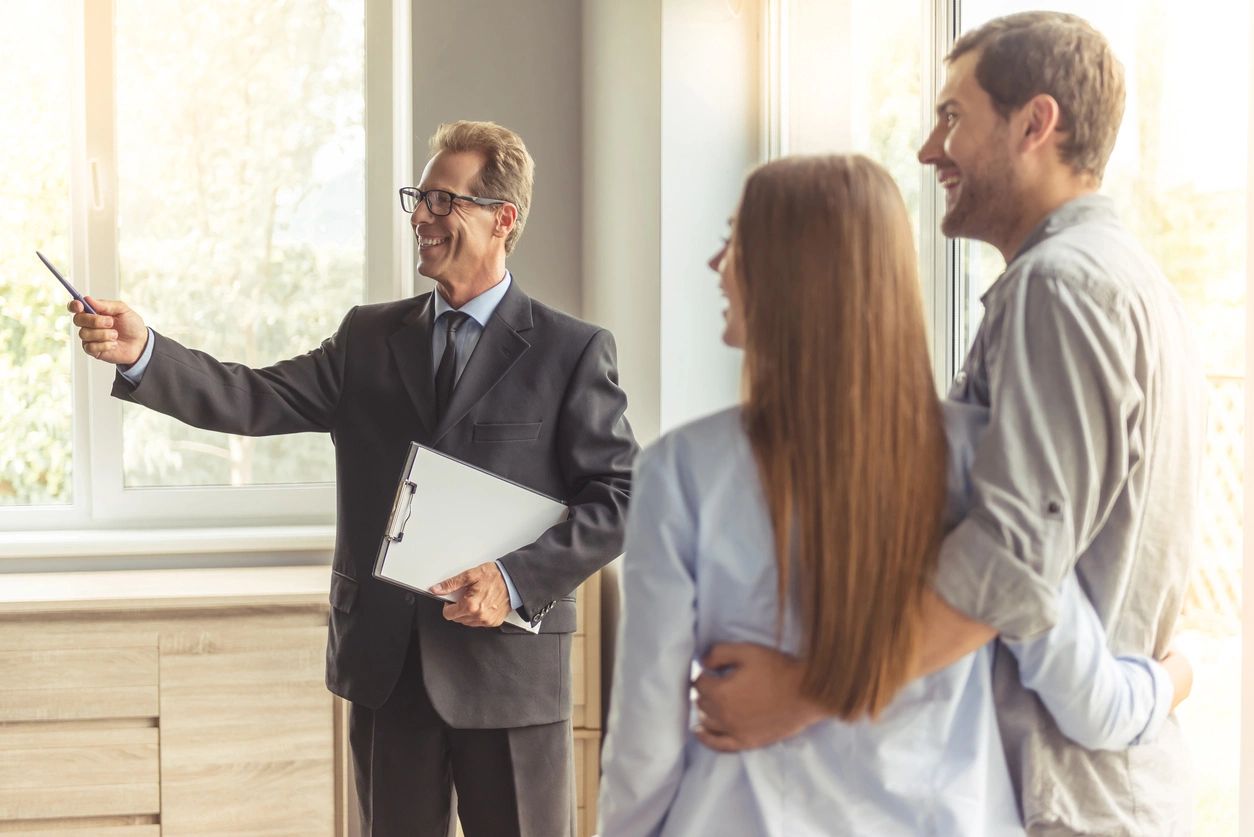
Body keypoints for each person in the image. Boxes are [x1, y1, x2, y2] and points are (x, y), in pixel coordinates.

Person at [690, 13, 1204, 836]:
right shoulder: (1128, 281)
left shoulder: (1061, 289)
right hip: (1093, 780)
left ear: (1035, 124)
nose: (930, 149)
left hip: (1060, 800)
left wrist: (802, 693)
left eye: (952, 117)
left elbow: (1012, 561)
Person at [69, 120, 638, 837]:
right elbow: (255, 395)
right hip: (387, 669)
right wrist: (144, 351)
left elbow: (619, 497)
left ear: (503, 218)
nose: (421, 217)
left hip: (510, 676)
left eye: (442, 200)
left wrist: (513, 578)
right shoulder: (370, 338)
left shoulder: (572, 351)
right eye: (417, 198)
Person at [596, 154, 1188, 837]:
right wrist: (1173, 679)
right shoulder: (979, 463)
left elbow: (644, 750)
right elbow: (1089, 702)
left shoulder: (680, 472)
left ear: (790, 275)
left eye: (737, 240)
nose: (717, 264)